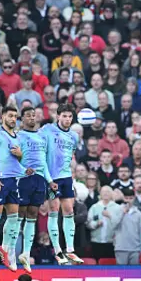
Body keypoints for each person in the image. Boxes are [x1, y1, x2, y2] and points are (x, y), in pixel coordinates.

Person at [0, 106, 34, 271]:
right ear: (3, 116)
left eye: (15, 116)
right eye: (10, 115)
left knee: (14, 217)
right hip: (0, 180)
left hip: (13, 180)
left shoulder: (17, 137)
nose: (13, 119)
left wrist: (22, 163)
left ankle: (4, 248)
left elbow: (17, 160)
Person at [41, 103, 84, 264]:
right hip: (52, 177)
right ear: (58, 116)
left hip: (66, 177)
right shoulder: (47, 130)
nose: (67, 119)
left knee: (69, 210)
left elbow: (70, 155)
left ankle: (70, 250)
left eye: (69, 116)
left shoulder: (74, 136)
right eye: (64, 116)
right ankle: (58, 250)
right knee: (54, 210)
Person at [16, 106, 58, 272]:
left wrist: (50, 180)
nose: (32, 118)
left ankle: (25, 253)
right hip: (23, 179)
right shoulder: (17, 136)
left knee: (32, 215)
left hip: (39, 179)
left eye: (34, 115)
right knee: (19, 215)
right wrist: (21, 171)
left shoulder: (42, 138)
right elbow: (10, 160)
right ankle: (11, 251)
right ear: (22, 119)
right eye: (28, 116)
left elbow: (43, 163)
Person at [113, 188, 141, 265]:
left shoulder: (138, 213)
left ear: (134, 198)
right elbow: (114, 225)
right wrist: (122, 213)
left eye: (131, 198)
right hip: (121, 247)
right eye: (126, 198)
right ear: (123, 198)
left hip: (135, 248)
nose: (129, 200)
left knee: (134, 273)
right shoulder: (117, 209)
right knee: (121, 272)